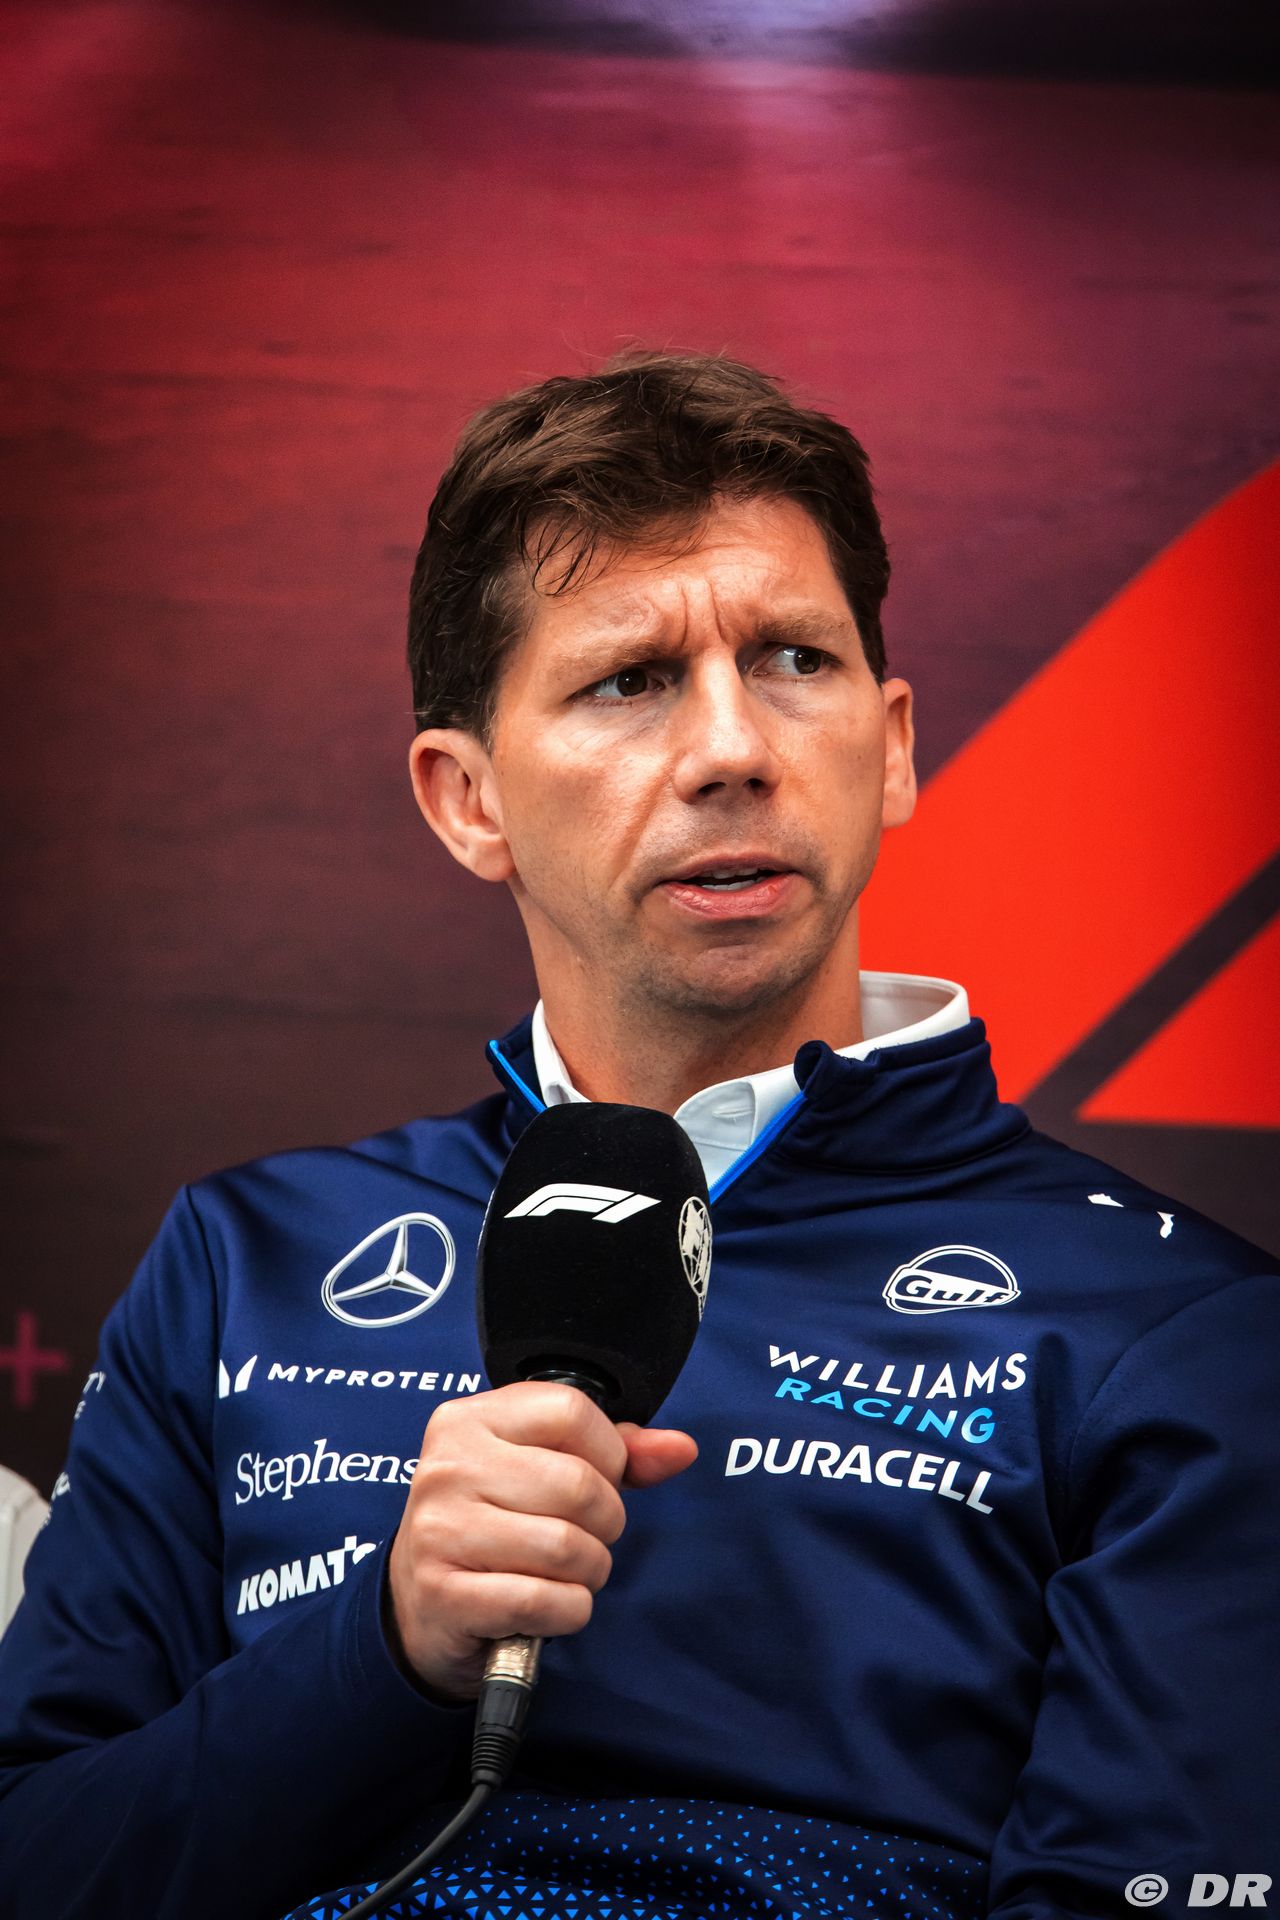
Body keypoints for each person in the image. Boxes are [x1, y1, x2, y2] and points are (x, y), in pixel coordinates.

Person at [0, 352, 1275, 1920]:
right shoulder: (243, 1262)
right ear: (466, 800)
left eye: (792, 659)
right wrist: (387, 1649)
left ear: (890, 749)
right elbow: (38, 1866)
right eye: (631, 680)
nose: (732, 748)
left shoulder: (1185, 1333)